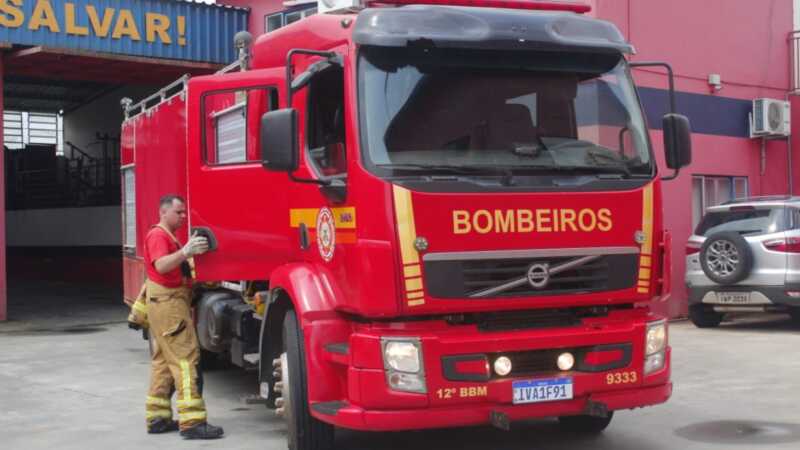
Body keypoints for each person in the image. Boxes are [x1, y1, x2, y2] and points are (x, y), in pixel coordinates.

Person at [142, 194, 224, 439]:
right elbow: (161, 265)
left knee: (163, 362)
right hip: (169, 306)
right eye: (178, 212)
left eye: (183, 212)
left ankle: (157, 418)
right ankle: (192, 423)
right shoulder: (158, 235)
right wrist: (186, 251)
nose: (183, 216)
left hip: (163, 304)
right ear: (163, 212)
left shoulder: (168, 236)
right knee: (186, 361)